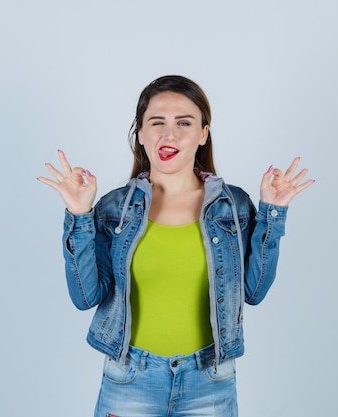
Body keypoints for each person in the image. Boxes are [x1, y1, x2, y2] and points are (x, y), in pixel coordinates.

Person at [37, 75, 314, 417]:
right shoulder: (113, 210)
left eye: (184, 122)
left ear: (203, 134)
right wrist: (79, 215)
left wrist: (274, 213)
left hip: (210, 381)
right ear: (140, 133)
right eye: (157, 122)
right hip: (130, 380)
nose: (169, 134)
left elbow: (254, 291)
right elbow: (85, 297)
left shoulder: (233, 206)